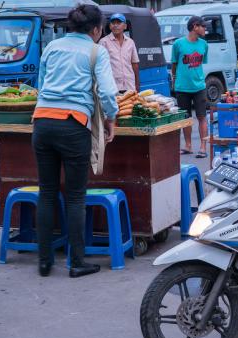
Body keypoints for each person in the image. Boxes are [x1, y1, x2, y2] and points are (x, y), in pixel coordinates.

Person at [32, 4, 118, 278]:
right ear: (96, 29)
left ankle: (44, 262)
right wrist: (111, 119)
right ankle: (77, 262)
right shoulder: (96, 51)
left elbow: (42, 84)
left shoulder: (52, 47)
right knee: (75, 196)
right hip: (73, 124)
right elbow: (106, 93)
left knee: (46, 192)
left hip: (42, 122)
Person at [171, 15, 208, 158]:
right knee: (186, 117)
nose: (205, 29)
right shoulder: (178, 44)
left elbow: (201, 63)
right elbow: (174, 64)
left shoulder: (204, 44)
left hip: (199, 86)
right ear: (195, 27)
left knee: (202, 116)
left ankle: (203, 147)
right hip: (182, 87)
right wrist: (174, 80)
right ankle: (188, 146)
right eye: (203, 26)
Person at [99, 13, 140, 92]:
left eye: (118, 23)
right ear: (110, 26)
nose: (115, 25)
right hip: (113, 87)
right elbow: (100, 66)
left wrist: (137, 84)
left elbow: (134, 64)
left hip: (129, 86)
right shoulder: (103, 42)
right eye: (113, 23)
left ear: (125, 26)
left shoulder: (130, 42)